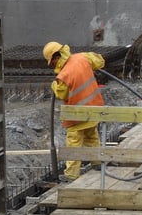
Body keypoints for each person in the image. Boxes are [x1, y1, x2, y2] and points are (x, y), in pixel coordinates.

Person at [42, 41, 106, 181]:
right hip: (94, 110)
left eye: (51, 62)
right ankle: (97, 162)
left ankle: (71, 175)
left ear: (55, 58)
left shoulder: (64, 75)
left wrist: (54, 85)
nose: (52, 65)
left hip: (76, 115)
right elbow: (99, 61)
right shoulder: (82, 57)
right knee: (91, 136)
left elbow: (62, 94)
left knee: (74, 143)